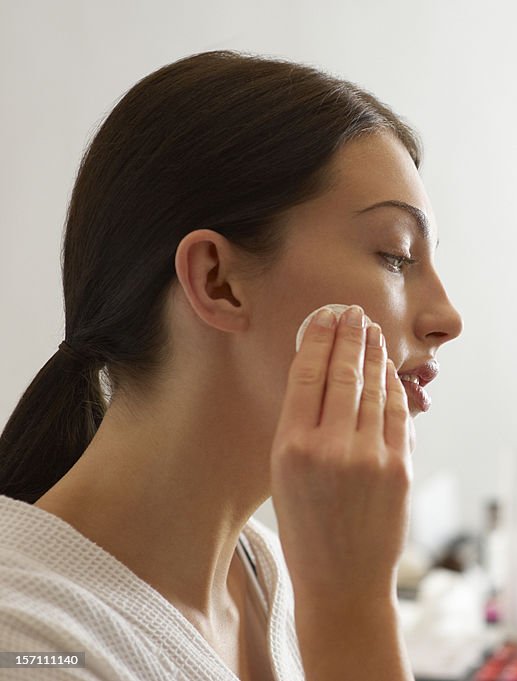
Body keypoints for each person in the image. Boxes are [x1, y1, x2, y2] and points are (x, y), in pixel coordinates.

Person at [0, 50, 462, 680]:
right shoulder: (27, 642)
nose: (447, 318)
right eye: (396, 254)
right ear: (217, 281)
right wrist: (350, 607)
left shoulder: (264, 570)